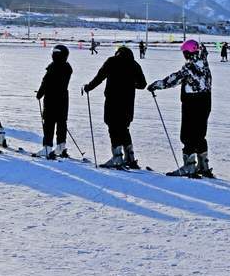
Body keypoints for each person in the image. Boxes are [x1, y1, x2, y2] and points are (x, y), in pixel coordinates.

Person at [147, 39, 213, 177]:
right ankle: (203, 166)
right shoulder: (204, 64)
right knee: (200, 134)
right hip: (206, 103)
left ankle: (189, 166)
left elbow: (172, 80)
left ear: (188, 53)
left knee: (188, 135)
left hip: (191, 104)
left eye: (184, 52)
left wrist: (156, 85)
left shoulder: (189, 68)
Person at [83, 46, 147, 168]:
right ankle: (130, 157)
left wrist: (88, 87)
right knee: (124, 128)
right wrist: (130, 84)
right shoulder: (134, 64)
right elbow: (142, 84)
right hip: (128, 103)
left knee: (113, 127)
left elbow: (100, 77)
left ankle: (117, 157)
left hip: (113, 101)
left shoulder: (112, 61)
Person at [34, 45, 72, 159]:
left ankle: (47, 147)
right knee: (61, 122)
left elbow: (46, 82)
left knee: (49, 123)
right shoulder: (67, 67)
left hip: (51, 98)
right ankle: (61, 146)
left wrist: (39, 94)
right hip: (63, 98)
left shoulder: (53, 67)